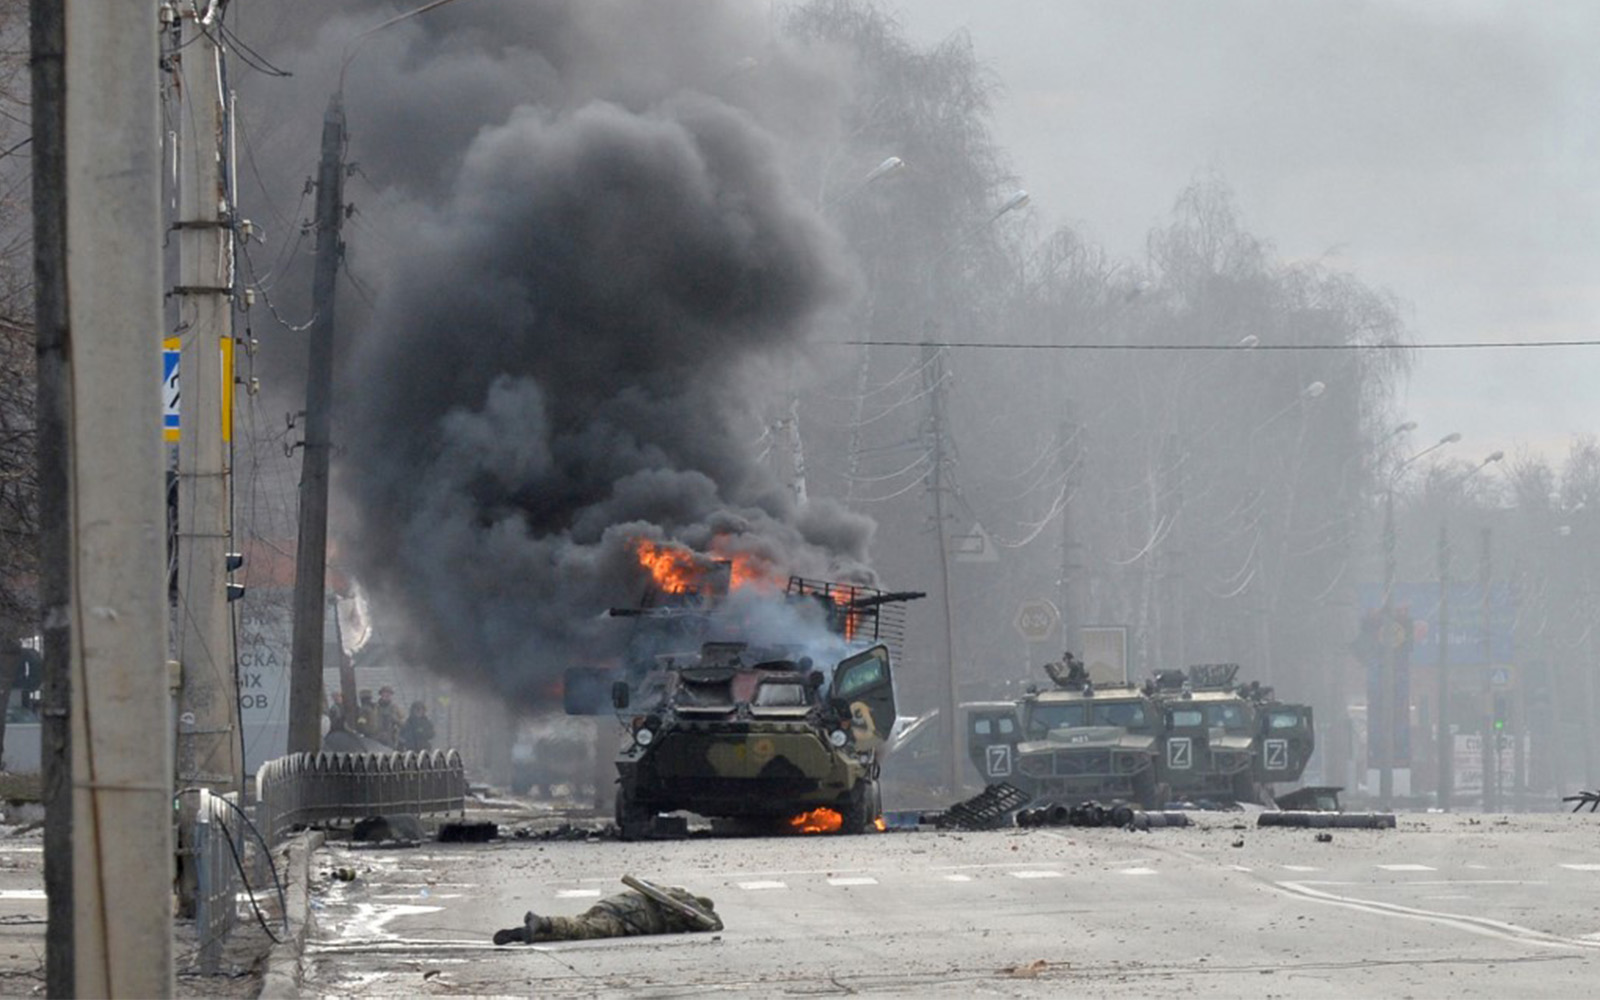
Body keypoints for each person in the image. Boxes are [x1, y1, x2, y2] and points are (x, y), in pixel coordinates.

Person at [492, 883, 721, 945]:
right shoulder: (688, 906)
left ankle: (527, 933)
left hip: (616, 905)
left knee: (580, 927)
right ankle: (543, 922)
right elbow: (715, 924)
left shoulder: (669, 892)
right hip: (631, 917)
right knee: (585, 930)